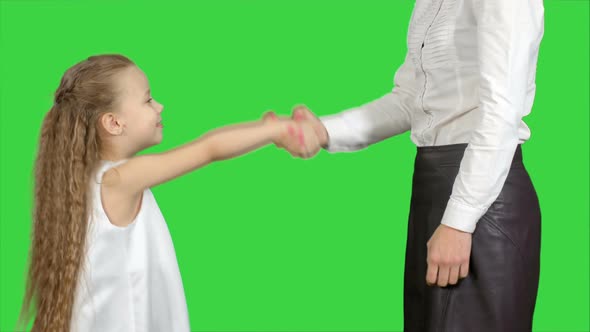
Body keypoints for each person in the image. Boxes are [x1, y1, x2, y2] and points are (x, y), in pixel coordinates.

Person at [268, 0, 545, 331]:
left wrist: (459, 222)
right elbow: (412, 98)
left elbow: (502, 111)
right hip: (433, 190)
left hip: (483, 205)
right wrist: (324, 131)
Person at [18, 54, 315, 332]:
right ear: (113, 122)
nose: (159, 106)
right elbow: (209, 149)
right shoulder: (118, 180)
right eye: (147, 100)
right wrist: (276, 131)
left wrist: (264, 128)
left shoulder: (81, 180)